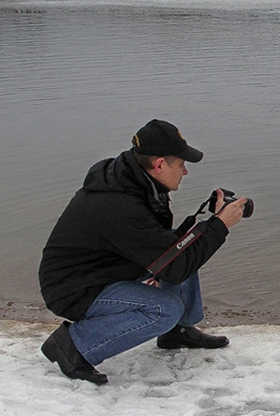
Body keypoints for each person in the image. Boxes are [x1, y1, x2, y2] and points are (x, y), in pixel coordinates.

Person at [38, 119, 248, 385]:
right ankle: (74, 346)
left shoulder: (136, 180)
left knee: (181, 246)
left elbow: (168, 249)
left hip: (103, 271)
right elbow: (175, 266)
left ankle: (177, 331)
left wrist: (208, 222)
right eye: (181, 165)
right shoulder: (120, 205)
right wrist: (219, 226)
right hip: (75, 288)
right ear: (160, 164)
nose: (185, 172)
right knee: (163, 308)